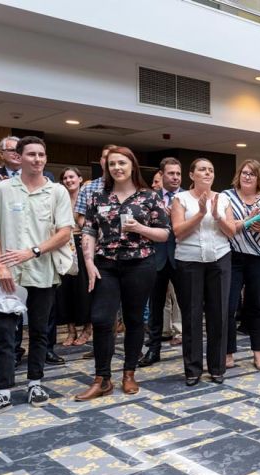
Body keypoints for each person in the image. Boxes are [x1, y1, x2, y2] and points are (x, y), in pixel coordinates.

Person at [75, 147, 170, 400]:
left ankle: (129, 373)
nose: (117, 167)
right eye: (113, 163)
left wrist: (140, 227)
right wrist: (88, 262)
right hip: (105, 265)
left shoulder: (149, 197)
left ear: (132, 166)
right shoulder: (98, 197)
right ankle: (102, 378)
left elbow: (164, 233)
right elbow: (89, 231)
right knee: (102, 319)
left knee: (134, 319)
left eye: (122, 163)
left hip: (140, 264)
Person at [0, 136, 72, 416]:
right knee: (4, 334)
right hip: (8, 274)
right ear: (19, 157)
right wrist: (0, 265)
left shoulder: (57, 192)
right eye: (31, 154)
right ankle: (2, 391)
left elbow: (64, 232)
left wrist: (34, 251)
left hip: (43, 272)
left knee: (39, 331)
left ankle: (35, 382)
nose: (37, 159)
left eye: (41, 155)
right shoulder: (2, 190)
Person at [172, 158, 236, 386]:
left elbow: (231, 232)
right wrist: (200, 214)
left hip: (219, 259)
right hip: (189, 262)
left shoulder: (223, 198)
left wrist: (217, 215)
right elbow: (178, 232)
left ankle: (217, 367)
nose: (207, 173)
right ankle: (192, 369)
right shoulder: (180, 199)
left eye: (210, 169)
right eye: (202, 169)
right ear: (192, 175)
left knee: (218, 314)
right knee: (191, 316)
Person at [223, 160, 260, 371]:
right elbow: (224, 228)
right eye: (244, 173)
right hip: (232, 258)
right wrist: (246, 222)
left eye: (252, 174)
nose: (247, 177)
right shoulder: (226, 197)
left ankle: (258, 352)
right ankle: (228, 352)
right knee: (228, 306)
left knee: (258, 306)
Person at [140, 157, 184, 367]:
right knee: (155, 307)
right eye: (171, 174)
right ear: (161, 175)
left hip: (181, 258)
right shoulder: (150, 197)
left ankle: (190, 351)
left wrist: (176, 218)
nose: (175, 177)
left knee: (187, 305)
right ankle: (153, 350)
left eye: (178, 174)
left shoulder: (187, 197)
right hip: (155, 258)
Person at [54, 167, 92, 347]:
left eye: (72, 177)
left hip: (82, 243)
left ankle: (87, 329)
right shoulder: (59, 199)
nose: (69, 180)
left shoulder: (87, 199)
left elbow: (91, 226)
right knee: (65, 290)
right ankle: (71, 331)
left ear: (80, 179)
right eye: (65, 178)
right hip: (63, 246)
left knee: (84, 289)